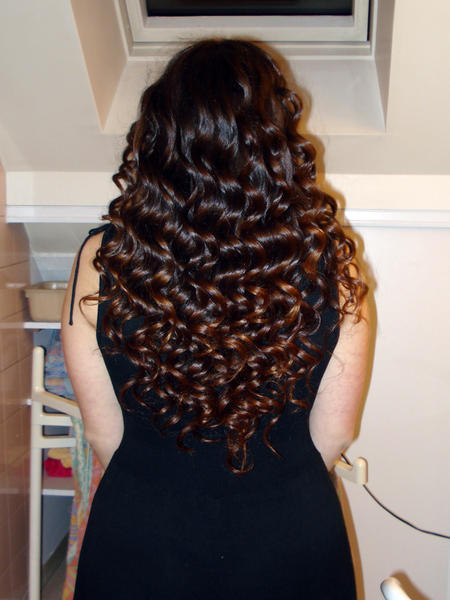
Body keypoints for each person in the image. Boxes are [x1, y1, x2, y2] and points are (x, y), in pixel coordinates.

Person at [61, 38, 369, 600]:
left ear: (158, 137)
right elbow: (335, 433)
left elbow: (102, 431)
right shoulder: (331, 261)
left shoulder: (102, 256)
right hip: (288, 535)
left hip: (142, 534)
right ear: (275, 139)